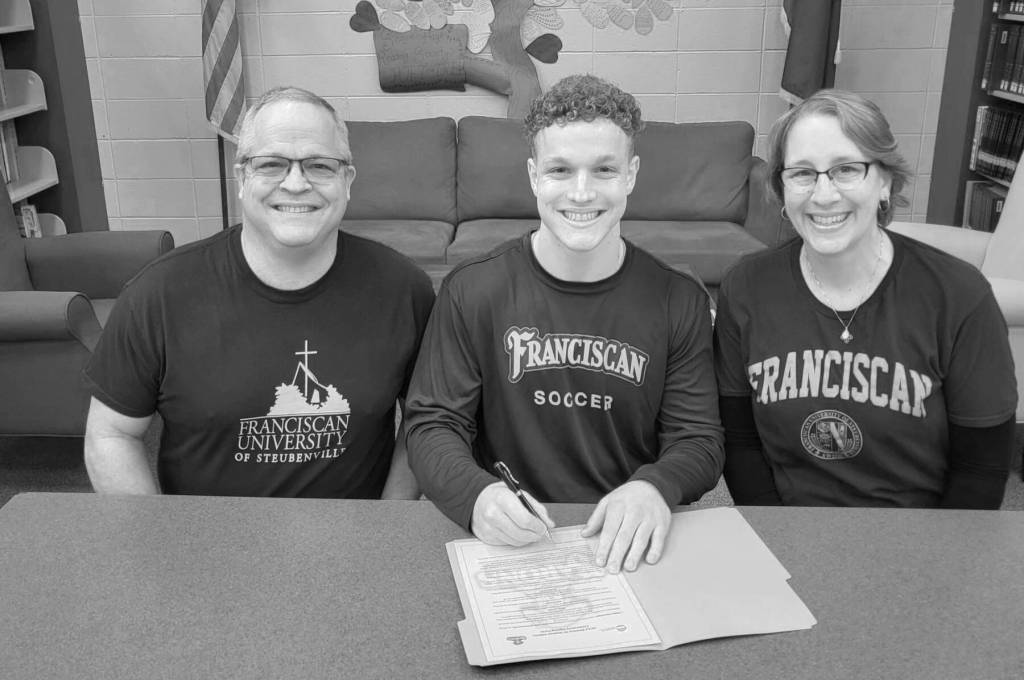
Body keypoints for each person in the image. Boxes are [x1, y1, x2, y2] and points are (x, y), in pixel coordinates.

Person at [405, 74, 724, 573]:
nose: (581, 193)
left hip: (628, 539)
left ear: (631, 176)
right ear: (533, 176)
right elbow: (432, 423)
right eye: (560, 169)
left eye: (603, 170)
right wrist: (476, 497)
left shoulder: (677, 299)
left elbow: (698, 440)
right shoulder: (473, 289)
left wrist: (655, 486)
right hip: (510, 536)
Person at [83, 87, 434, 498]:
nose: (296, 184)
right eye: (271, 164)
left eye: (320, 165)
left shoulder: (404, 290)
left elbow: (422, 422)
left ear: (347, 180)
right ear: (242, 177)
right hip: (209, 547)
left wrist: (388, 524)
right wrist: (156, 541)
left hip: (353, 545)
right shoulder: (158, 295)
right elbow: (111, 435)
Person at [714, 88, 1018, 509]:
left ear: (885, 181)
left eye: (846, 169)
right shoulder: (745, 287)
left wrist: (935, 566)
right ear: (782, 191)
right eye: (802, 173)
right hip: (788, 530)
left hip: (918, 540)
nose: (823, 195)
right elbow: (741, 441)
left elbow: (980, 471)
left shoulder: (960, 297)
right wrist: (774, 537)